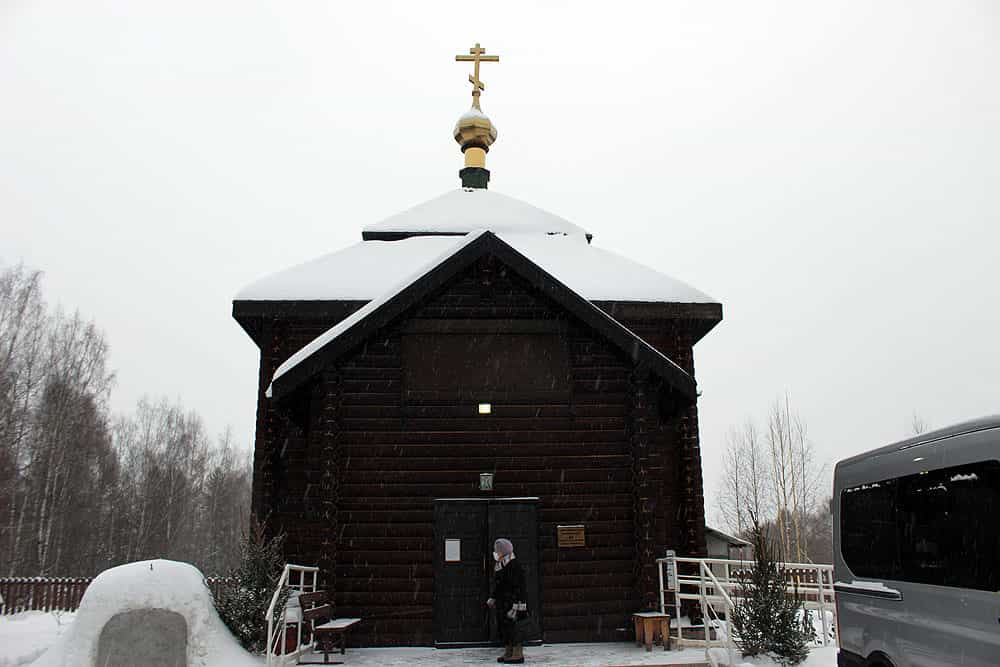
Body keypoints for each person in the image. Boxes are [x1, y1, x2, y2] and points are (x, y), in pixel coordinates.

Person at [486, 538, 528, 664]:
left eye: (497, 550)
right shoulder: (500, 565)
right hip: (503, 602)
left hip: (513, 602)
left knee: (514, 627)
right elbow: (499, 585)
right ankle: (508, 651)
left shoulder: (514, 565)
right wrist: (493, 597)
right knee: (504, 627)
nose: (495, 552)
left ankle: (517, 653)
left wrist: (518, 602)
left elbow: (519, 586)